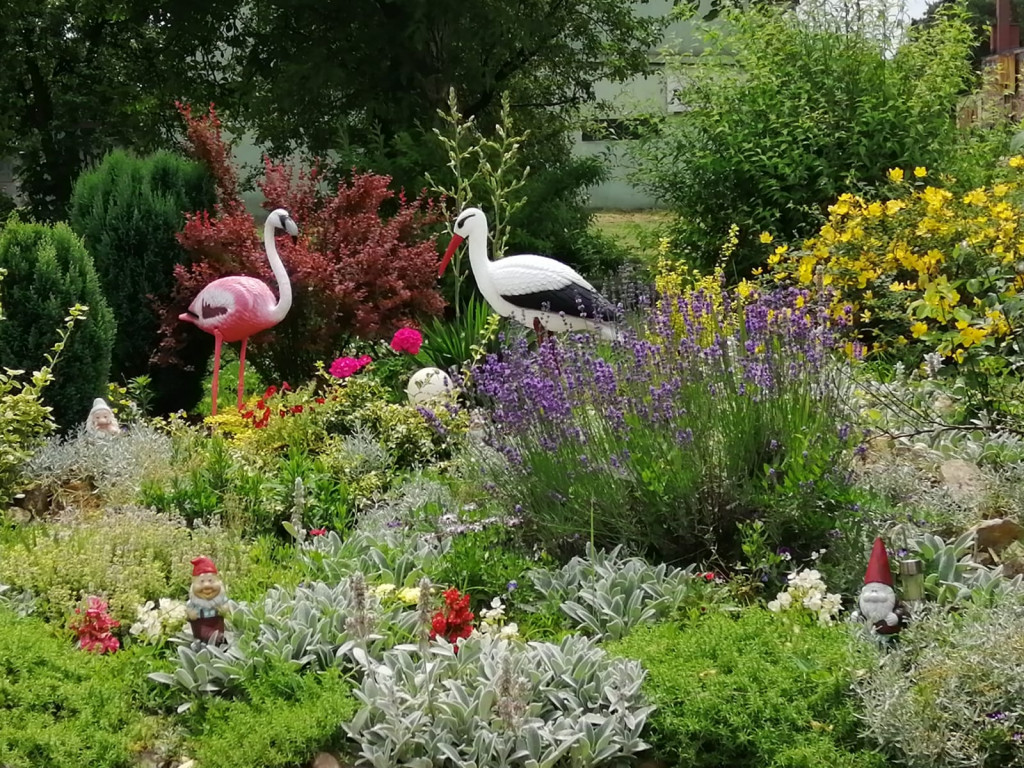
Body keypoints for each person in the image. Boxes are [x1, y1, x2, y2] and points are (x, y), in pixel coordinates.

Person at [185, 556, 230, 645]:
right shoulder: (194, 602)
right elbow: (188, 611)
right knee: (207, 636)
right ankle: (218, 640)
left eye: (211, 581)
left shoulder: (220, 599)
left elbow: (227, 607)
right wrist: (190, 613)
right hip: (201, 626)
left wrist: (224, 609)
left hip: (218, 623)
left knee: (220, 633)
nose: (206, 585)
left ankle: (219, 641)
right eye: (201, 581)